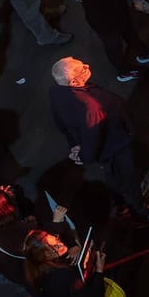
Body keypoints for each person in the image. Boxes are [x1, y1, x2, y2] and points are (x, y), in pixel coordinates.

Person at [48, 57, 137, 206]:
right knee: (124, 175)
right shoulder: (91, 108)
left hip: (100, 143)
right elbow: (92, 137)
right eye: (82, 68)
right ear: (74, 82)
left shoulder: (55, 92)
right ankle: (133, 204)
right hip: (114, 145)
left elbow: (61, 123)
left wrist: (75, 144)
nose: (87, 65)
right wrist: (83, 156)